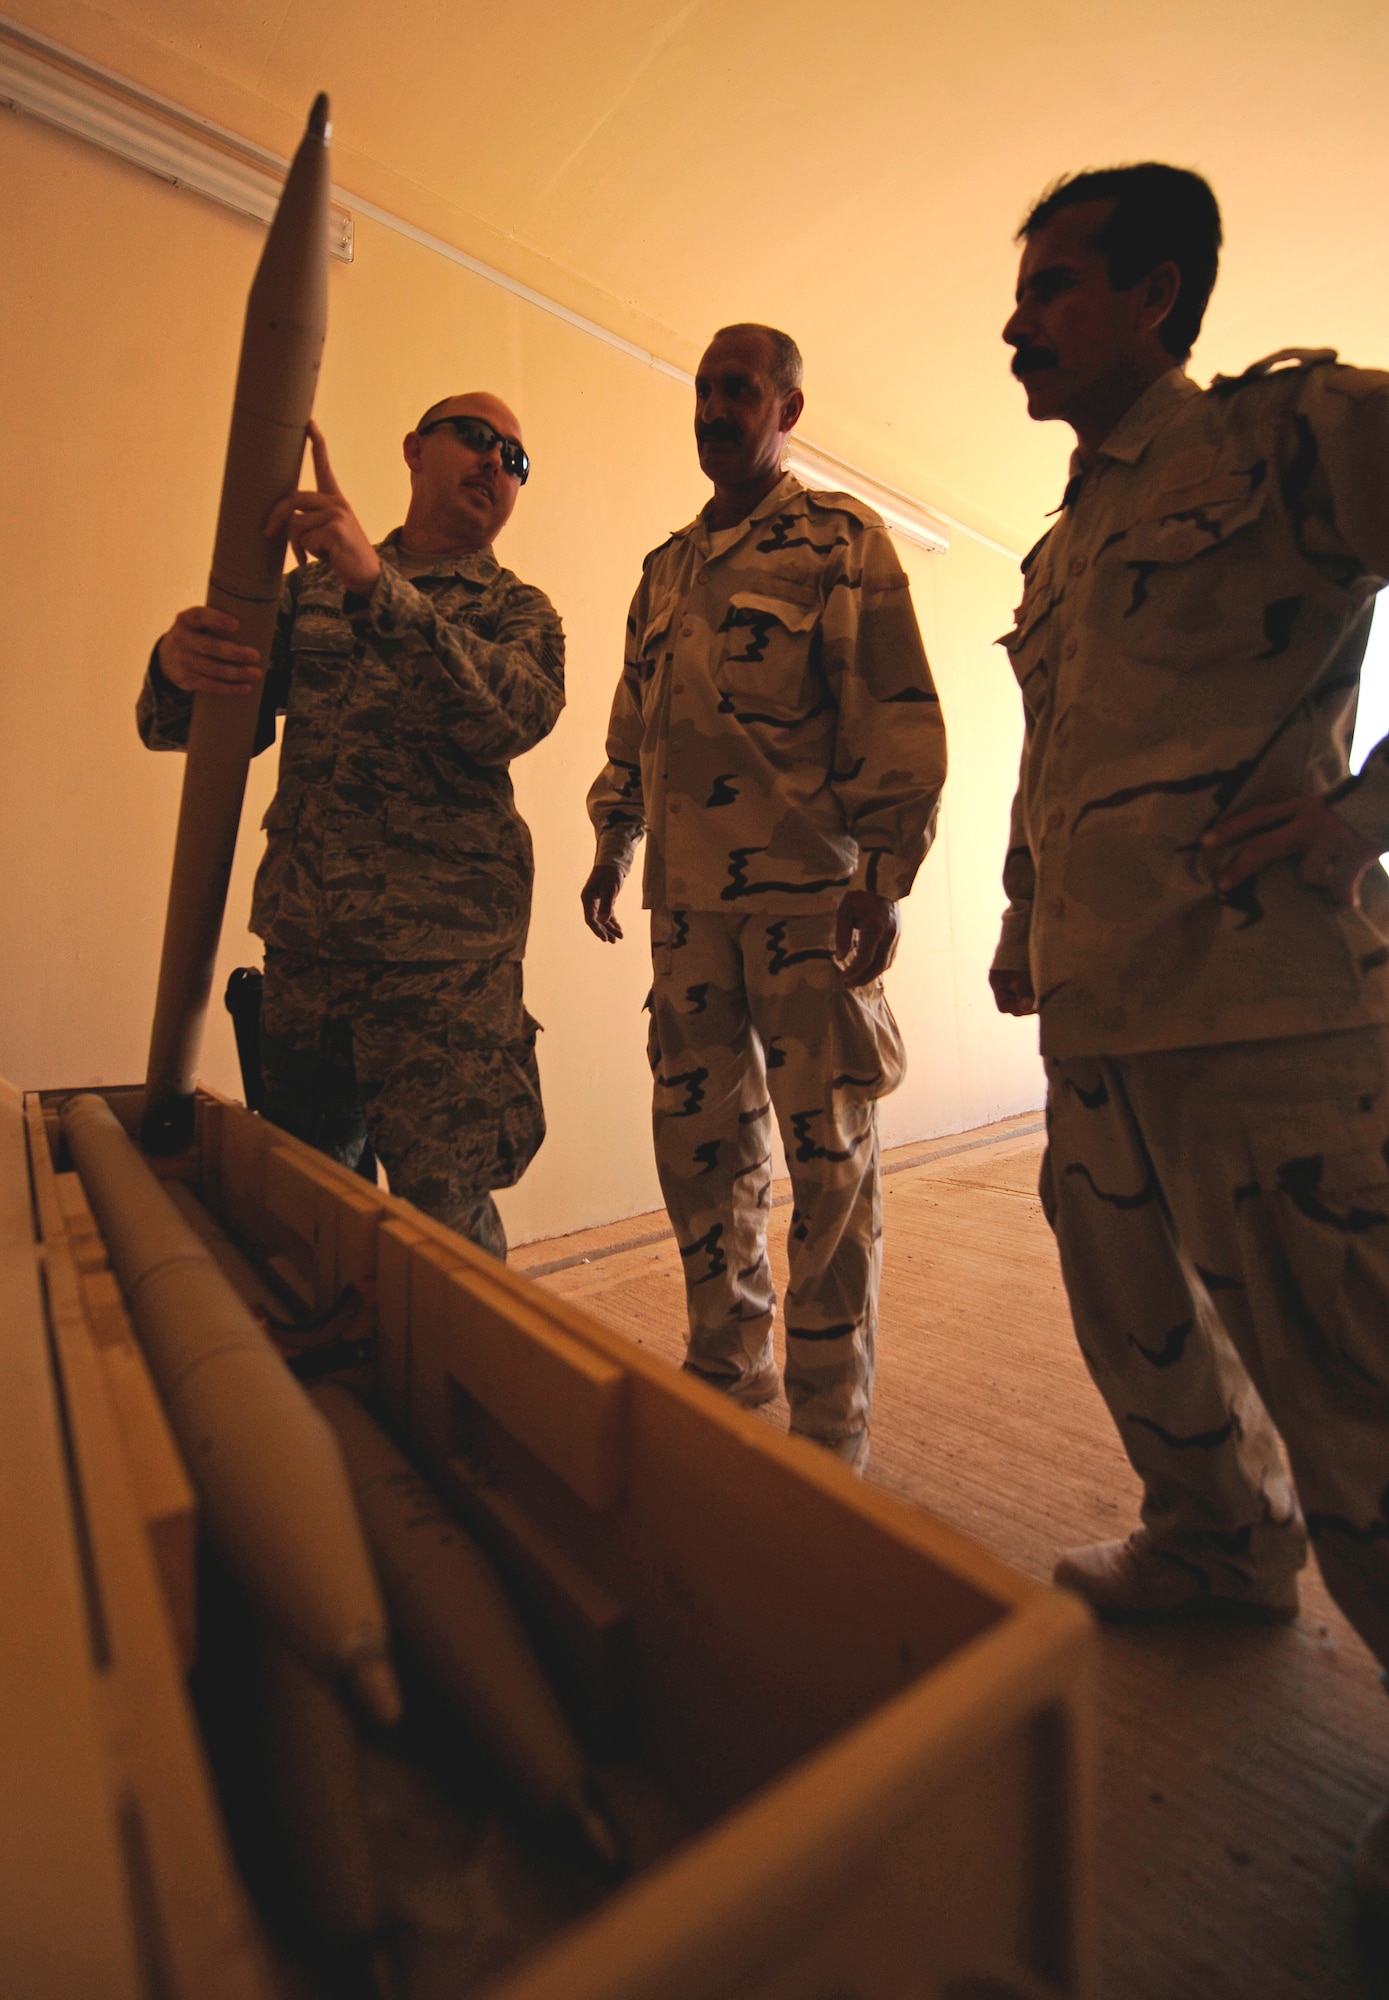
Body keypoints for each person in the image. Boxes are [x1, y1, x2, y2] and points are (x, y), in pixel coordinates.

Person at [992, 157, 1389, 1892]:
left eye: (1054, 285)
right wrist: (1018, 916)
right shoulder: (1060, 538)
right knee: (1132, 1328)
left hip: (1259, 1017)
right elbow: (1053, 754)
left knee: (1348, 1383)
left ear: (1153, 294)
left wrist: (1362, 812)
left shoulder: (1282, 437)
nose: (1017, 320)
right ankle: (1212, 1543)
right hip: (1099, 1018)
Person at [582, 323, 946, 1470]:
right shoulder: (667, 569)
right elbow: (633, 724)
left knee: (827, 1168)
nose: (713, 407)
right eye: (702, 388)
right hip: (688, 917)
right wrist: (613, 836)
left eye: (738, 389)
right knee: (701, 1155)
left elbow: (896, 716)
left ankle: (830, 1433)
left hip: (806, 909)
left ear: (788, 406)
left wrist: (884, 879)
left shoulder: (840, 542)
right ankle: (727, 1369)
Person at [139, 395, 564, 1259]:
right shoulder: (309, 594)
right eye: (475, 439)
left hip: (442, 978)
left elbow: (507, 718)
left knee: (446, 1237)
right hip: (309, 957)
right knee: (310, 1212)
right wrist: (175, 666)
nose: (495, 463)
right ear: (414, 449)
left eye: (514, 460)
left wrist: (379, 585)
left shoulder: (518, 613)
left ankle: (463, 1394)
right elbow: (208, 728)